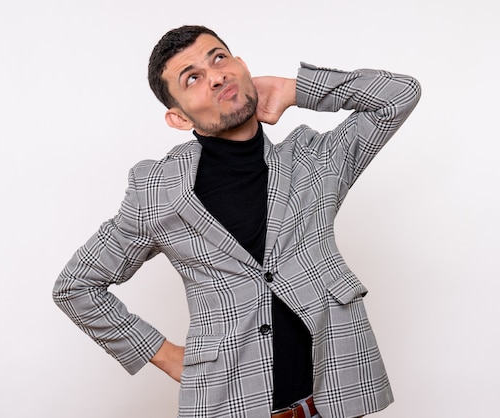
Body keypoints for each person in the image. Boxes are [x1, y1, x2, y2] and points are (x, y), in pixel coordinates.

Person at [53, 25, 421, 418]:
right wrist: (163, 354)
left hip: (336, 404)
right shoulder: (157, 192)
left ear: (242, 67)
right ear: (178, 118)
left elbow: (399, 95)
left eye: (219, 58)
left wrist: (295, 89)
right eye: (192, 77)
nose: (215, 76)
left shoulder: (316, 161)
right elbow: (75, 287)